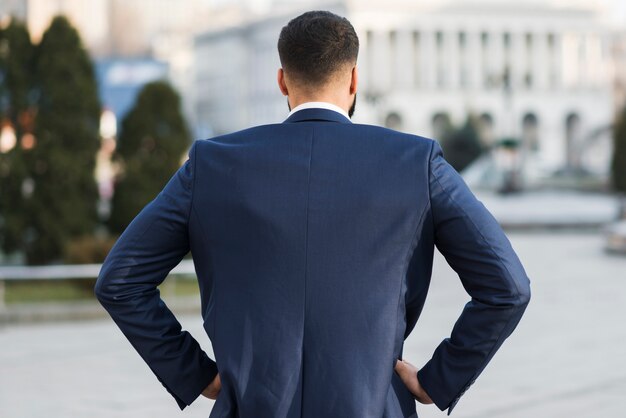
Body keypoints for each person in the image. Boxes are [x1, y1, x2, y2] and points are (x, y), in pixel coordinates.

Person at [95, 10, 531, 418]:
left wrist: (193, 372)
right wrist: (440, 379)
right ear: (355, 77)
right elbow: (507, 287)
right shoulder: (416, 163)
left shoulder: (212, 164)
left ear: (282, 81)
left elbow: (121, 280)